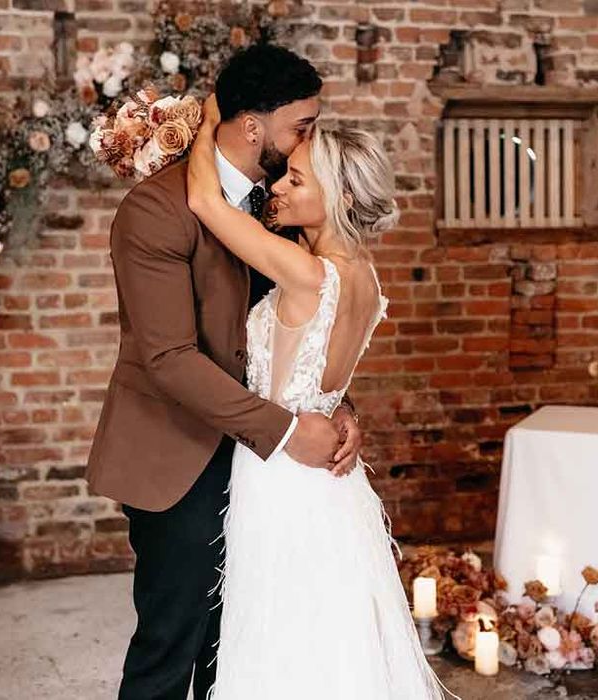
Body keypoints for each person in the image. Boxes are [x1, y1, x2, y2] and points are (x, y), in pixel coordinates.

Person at [86, 45, 362, 700]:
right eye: (302, 124)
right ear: (250, 127)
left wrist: (336, 405)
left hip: (263, 467)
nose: (309, 140)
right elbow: (168, 360)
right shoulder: (156, 210)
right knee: (170, 643)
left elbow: (309, 318)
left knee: (241, 646)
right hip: (178, 456)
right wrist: (293, 430)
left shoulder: (285, 206)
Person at [186, 92, 459, 699]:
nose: (277, 187)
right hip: (335, 484)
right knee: (332, 629)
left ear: (333, 196)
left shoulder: (305, 271)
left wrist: (208, 122)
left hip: (279, 473)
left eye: (295, 179)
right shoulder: (367, 277)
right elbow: (327, 386)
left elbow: (204, 200)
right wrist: (345, 414)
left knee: (279, 630)